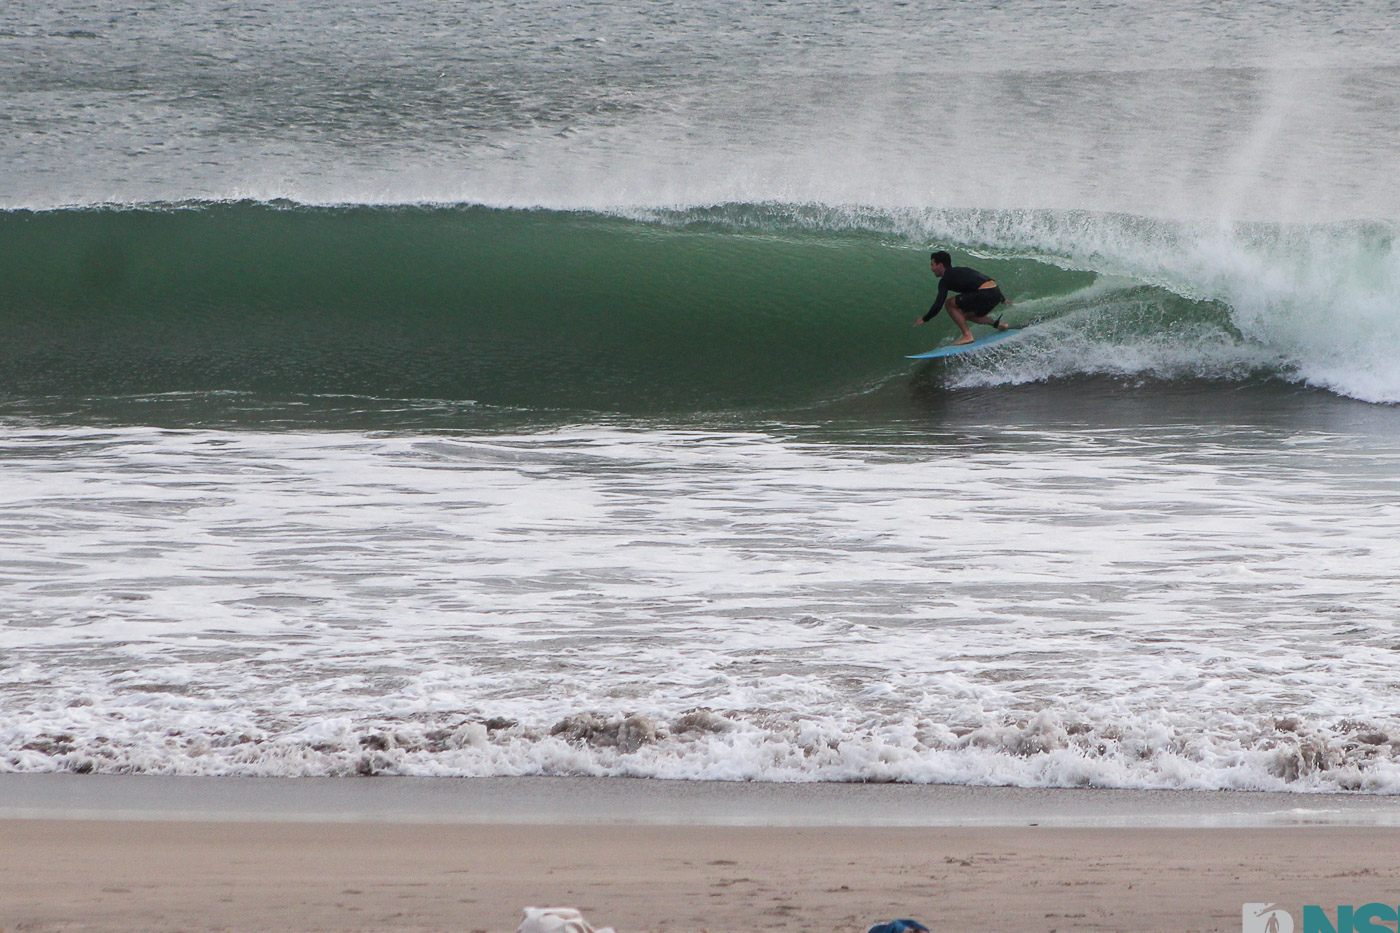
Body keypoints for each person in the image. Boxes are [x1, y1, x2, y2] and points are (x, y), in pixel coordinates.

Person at [914, 250, 1010, 345]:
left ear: (940, 265)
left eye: (932, 265)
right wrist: (1002, 299)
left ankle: (967, 335)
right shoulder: (961, 270)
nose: (931, 268)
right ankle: (999, 324)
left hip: (985, 293)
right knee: (967, 315)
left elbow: (938, 304)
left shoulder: (945, 280)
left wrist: (925, 318)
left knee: (949, 304)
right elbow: (984, 280)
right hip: (995, 292)